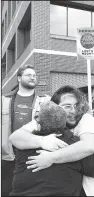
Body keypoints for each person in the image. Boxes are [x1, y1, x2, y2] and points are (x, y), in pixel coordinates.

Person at [9, 85, 94, 196]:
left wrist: (51, 157)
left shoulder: (86, 120)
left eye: (76, 105)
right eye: (67, 106)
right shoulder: (44, 120)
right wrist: (42, 141)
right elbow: (15, 137)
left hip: (89, 188)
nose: (73, 111)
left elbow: (89, 146)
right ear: (55, 108)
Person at [1, 64, 50, 196]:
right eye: (29, 75)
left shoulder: (46, 100)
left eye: (34, 75)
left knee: (32, 191)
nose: (33, 77)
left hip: (34, 154)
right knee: (6, 190)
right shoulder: (4, 100)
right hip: (8, 155)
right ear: (19, 78)